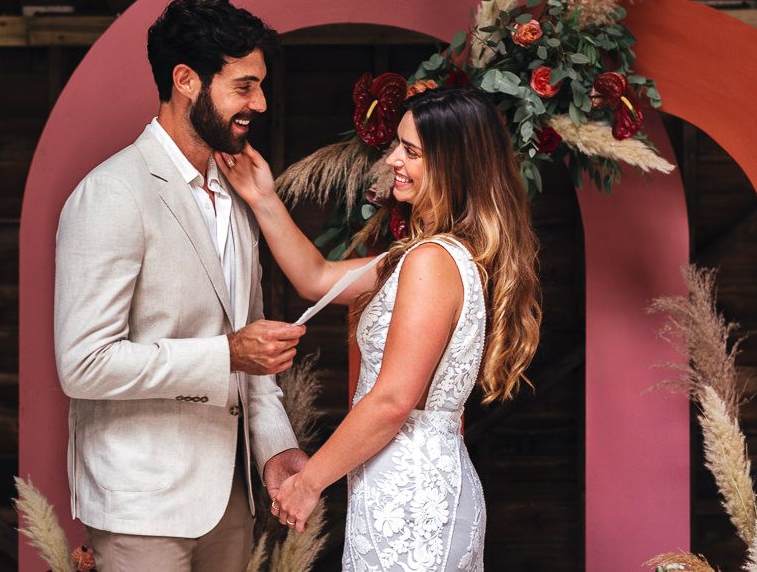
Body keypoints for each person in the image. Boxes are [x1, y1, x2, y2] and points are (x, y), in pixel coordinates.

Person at [217, 85, 542, 570]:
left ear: (452, 165)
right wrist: (262, 196)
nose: (392, 160)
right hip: (402, 488)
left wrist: (308, 483)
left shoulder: (431, 261)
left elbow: (392, 400)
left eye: (411, 151)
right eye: (396, 146)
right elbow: (317, 278)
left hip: (411, 502)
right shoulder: (430, 254)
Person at [53, 0, 307, 571]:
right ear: (186, 80)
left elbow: (252, 352)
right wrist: (226, 354)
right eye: (244, 87)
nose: (260, 104)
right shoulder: (112, 193)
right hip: (140, 506)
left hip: (231, 503)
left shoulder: (238, 196)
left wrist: (276, 449)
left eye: (261, 86)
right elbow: (83, 364)